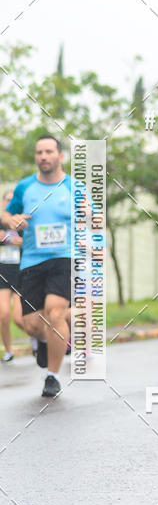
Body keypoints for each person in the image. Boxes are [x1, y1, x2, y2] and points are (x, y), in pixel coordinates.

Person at [2, 135, 72, 397]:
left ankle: (52, 376)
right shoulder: (25, 187)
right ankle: (46, 340)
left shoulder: (74, 188)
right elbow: (7, 214)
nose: (43, 156)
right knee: (30, 323)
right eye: (39, 152)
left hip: (64, 258)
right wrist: (12, 220)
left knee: (55, 312)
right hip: (32, 261)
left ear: (60, 156)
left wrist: (90, 214)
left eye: (49, 151)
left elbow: (95, 217)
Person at [0, 191, 25, 362]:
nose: (10, 203)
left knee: (19, 317)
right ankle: (8, 351)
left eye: (12, 201)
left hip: (20, 273)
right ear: (3, 203)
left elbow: (34, 244)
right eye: (7, 200)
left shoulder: (23, 224)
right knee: (3, 315)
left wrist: (20, 242)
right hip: (2, 274)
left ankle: (38, 338)